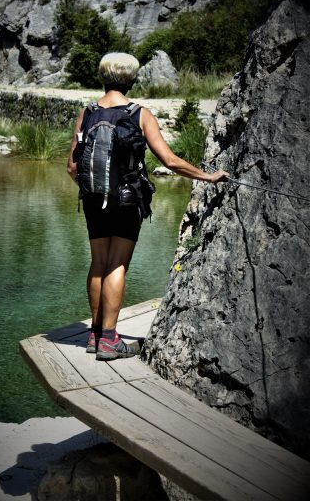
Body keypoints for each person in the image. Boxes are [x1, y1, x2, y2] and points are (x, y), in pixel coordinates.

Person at [67, 52, 228, 361]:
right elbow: (169, 160)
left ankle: (95, 336)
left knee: (98, 262)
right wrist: (208, 176)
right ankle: (110, 341)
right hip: (127, 200)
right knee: (117, 264)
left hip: (92, 199)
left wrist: (94, 190)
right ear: (131, 79)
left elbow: (72, 168)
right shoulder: (139, 114)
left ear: (103, 77)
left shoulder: (87, 113)